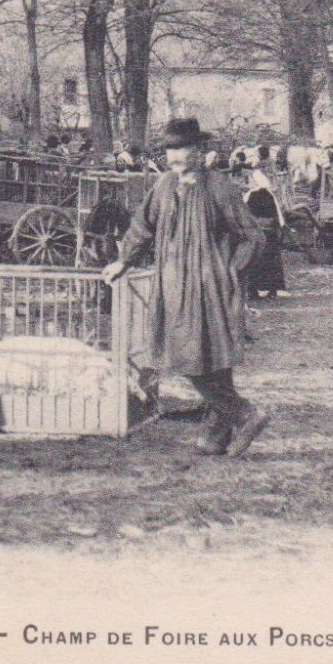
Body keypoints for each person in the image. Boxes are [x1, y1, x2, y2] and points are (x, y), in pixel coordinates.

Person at [103, 117, 267, 457]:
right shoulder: (163, 186)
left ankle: (245, 415)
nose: (175, 156)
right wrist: (124, 261)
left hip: (210, 291)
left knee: (199, 358)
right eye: (169, 150)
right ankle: (215, 436)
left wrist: (229, 271)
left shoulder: (219, 188)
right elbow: (142, 227)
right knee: (200, 358)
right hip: (173, 289)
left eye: (182, 148)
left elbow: (252, 237)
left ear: (199, 149)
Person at [244, 167, 286, 299]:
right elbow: (277, 216)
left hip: (257, 232)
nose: (249, 182)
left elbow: (247, 215)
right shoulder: (269, 194)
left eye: (250, 180)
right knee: (271, 261)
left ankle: (253, 290)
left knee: (254, 261)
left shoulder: (252, 195)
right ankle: (272, 290)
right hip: (271, 232)